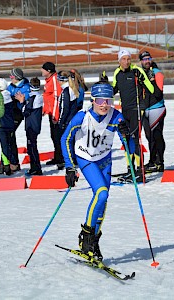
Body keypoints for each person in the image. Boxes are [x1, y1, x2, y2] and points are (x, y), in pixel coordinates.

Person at [60, 81, 130, 261]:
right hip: (85, 158)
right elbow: (65, 139)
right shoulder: (81, 117)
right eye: (100, 100)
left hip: (104, 161)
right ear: (93, 101)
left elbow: (130, 148)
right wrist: (70, 166)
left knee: (103, 201)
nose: (104, 104)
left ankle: (93, 242)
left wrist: (127, 135)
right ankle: (86, 236)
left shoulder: (116, 117)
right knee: (101, 193)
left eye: (108, 100)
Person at [112, 49, 154, 182]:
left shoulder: (136, 71)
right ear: (119, 61)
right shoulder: (117, 73)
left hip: (137, 109)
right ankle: (130, 169)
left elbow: (151, 89)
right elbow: (113, 91)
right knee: (126, 139)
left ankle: (140, 171)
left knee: (136, 140)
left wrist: (142, 79)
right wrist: (104, 84)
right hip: (125, 111)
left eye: (128, 59)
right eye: (123, 59)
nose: (126, 62)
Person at [139, 51, 166, 173]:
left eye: (148, 59)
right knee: (149, 137)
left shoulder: (157, 73)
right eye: (144, 59)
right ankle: (152, 161)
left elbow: (158, 93)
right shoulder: (140, 74)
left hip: (157, 108)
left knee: (157, 136)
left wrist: (151, 80)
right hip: (146, 109)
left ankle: (159, 162)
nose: (147, 61)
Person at [15, 77, 44, 176]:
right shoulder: (38, 96)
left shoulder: (33, 98)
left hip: (32, 126)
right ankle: (35, 168)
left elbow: (25, 112)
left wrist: (21, 101)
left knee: (32, 147)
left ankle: (36, 168)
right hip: (35, 125)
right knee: (32, 146)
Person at [7, 67, 30, 173]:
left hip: (18, 114)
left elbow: (24, 98)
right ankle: (12, 161)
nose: (10, 78)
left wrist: (17, 99)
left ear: (16, 77)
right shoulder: (11, 86)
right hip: (9, 113)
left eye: (11, 76)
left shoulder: (24, 86)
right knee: (9, 136)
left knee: (10, 135)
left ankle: (14, 162)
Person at [41, 62, 63, 167]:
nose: (41, 71)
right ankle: (58, 156)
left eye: (43, 69)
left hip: (55, 114)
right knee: (53, 136)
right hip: (51, 113)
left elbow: (56, 98)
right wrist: (45, 110)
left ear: (48, 71)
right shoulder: (48, 80)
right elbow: (47, 98)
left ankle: (61, 158)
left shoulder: (54, 80)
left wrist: (55, 115)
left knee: (57, 136)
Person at [55, 70, 79, 169]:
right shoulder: (71, 89)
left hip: (67, 120)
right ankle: (72, 158)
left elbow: (64, 108)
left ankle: (69, 160)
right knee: (70, 140)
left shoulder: (66, 91)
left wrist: (60, 122)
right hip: (71, 119)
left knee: (65, 141)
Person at [0, 78, 13, 176]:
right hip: (10, 124)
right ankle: (4, 164)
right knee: (8, 145)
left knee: (4, 146)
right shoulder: (9, 96)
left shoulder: (0, 97)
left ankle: (6, 165)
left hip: (2, 125)